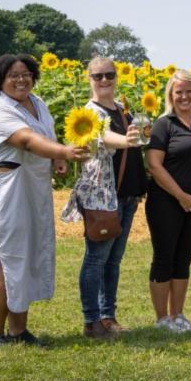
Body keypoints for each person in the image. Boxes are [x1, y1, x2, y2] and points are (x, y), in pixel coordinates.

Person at [0, 54, 91, 349]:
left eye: (26, 73)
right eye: (13, 75)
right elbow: (25, 140)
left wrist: (54, 160)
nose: (21, 79)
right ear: (0, 80)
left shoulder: (38, 104)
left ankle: (18, 331)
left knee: (25, 255)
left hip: (32, 186)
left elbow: (43, 137)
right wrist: (61, 151)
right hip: (5, 189)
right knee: (4, 257)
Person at [61, 57, 146, 339]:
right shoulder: (88, 113)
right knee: (96, 258)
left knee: (113, 260)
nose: (104, 80)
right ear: (89, 79)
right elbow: (102, 137)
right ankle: (91, 320)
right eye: (98, 76)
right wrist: (127, 140)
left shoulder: (122, 109)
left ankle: (108, 316)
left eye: (109, 74)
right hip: (102, 197)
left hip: (127, 193)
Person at [145, 70, 191, 333]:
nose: (184, 96)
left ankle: (178, 315)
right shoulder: (163, 125)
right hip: (165, 202)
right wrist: (180, 196)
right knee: (164, 257)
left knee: (183, 259)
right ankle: (162, 319)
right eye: (179, 92)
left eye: (189, 91)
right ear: (171, 95)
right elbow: (154, 165)